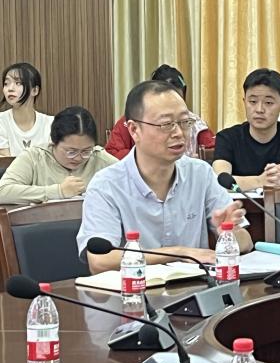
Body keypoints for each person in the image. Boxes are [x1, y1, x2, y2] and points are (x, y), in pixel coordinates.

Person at [77, 80, 252, 274]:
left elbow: (246, 242)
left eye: (185, 122)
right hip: (135, 288)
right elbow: (100, 261)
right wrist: (179, 252)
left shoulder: (200, 173)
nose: (179, 133)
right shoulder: (106, 185)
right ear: (134, 130)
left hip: (195, 288)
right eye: (166, 124)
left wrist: (229, 233)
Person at [213, 69, 280, 190]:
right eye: (253, 101)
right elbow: (218, 180)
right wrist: (260, 181)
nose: (259, 109)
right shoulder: (227, 138)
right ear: (244, 102)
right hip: (239, 203)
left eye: (268, 102)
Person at [0, 106, 117, 204]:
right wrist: (58, 191)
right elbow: (3, 191)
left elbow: (127, 179)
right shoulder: (34, 157)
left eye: (86, 151)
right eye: (71, 152)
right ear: (53, 142)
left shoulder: (99, 158)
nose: (78, 158)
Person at [106, 64, 215, 159]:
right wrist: (146, 158)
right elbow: (112, 153)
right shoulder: (136, 119)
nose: (178, 133)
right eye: (166, 124)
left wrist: (196, 159)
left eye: (178, 99)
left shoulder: (195, 123)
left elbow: (213, 151)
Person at [0, 62, 54, 156]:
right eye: (6, 83)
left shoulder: (51, 124)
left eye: (18, 83)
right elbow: (5, 161)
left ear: (35, 90)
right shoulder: (1, 121)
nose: (10, 88)